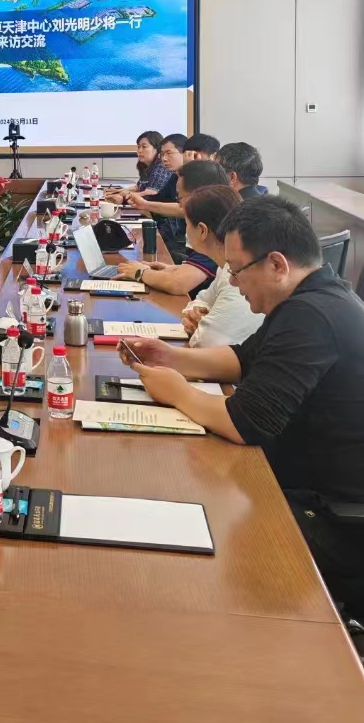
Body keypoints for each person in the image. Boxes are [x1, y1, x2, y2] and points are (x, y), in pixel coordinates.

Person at [121, 197, 364, 619]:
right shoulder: (314, 295)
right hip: (311, 487)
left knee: (191, 547)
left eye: (236, 270)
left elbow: (245, 422)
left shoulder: (312, 315)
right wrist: (172, 358)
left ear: (277, 264)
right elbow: (242, 358)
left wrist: (177, 392)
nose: (233, 283)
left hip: (336, 519)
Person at [118, 160, 229, 296]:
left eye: (179, 197)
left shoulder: (215, 235)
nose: (179, 205)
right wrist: (173, 269)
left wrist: (140, 272)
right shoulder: (220, 215)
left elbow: (177, 284)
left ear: (197, 196)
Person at [177, 186, 264, 347]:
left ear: (202, 230)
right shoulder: (224, 267)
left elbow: (207, 343)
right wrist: (198, 315)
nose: (186, 231)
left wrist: (202, 327)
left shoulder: (238, 278)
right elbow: (201, 300)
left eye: (186, 224)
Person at [124, 133, 187, 258]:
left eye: (169, 153)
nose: (164, 159)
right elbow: (158, 201)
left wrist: (144, 204)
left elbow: (183, 209)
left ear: (186, 154)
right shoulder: (174, 177)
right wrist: (138, 203)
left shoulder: (192, 179)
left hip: (178, 242)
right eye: (162, 154)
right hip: (167, 233)